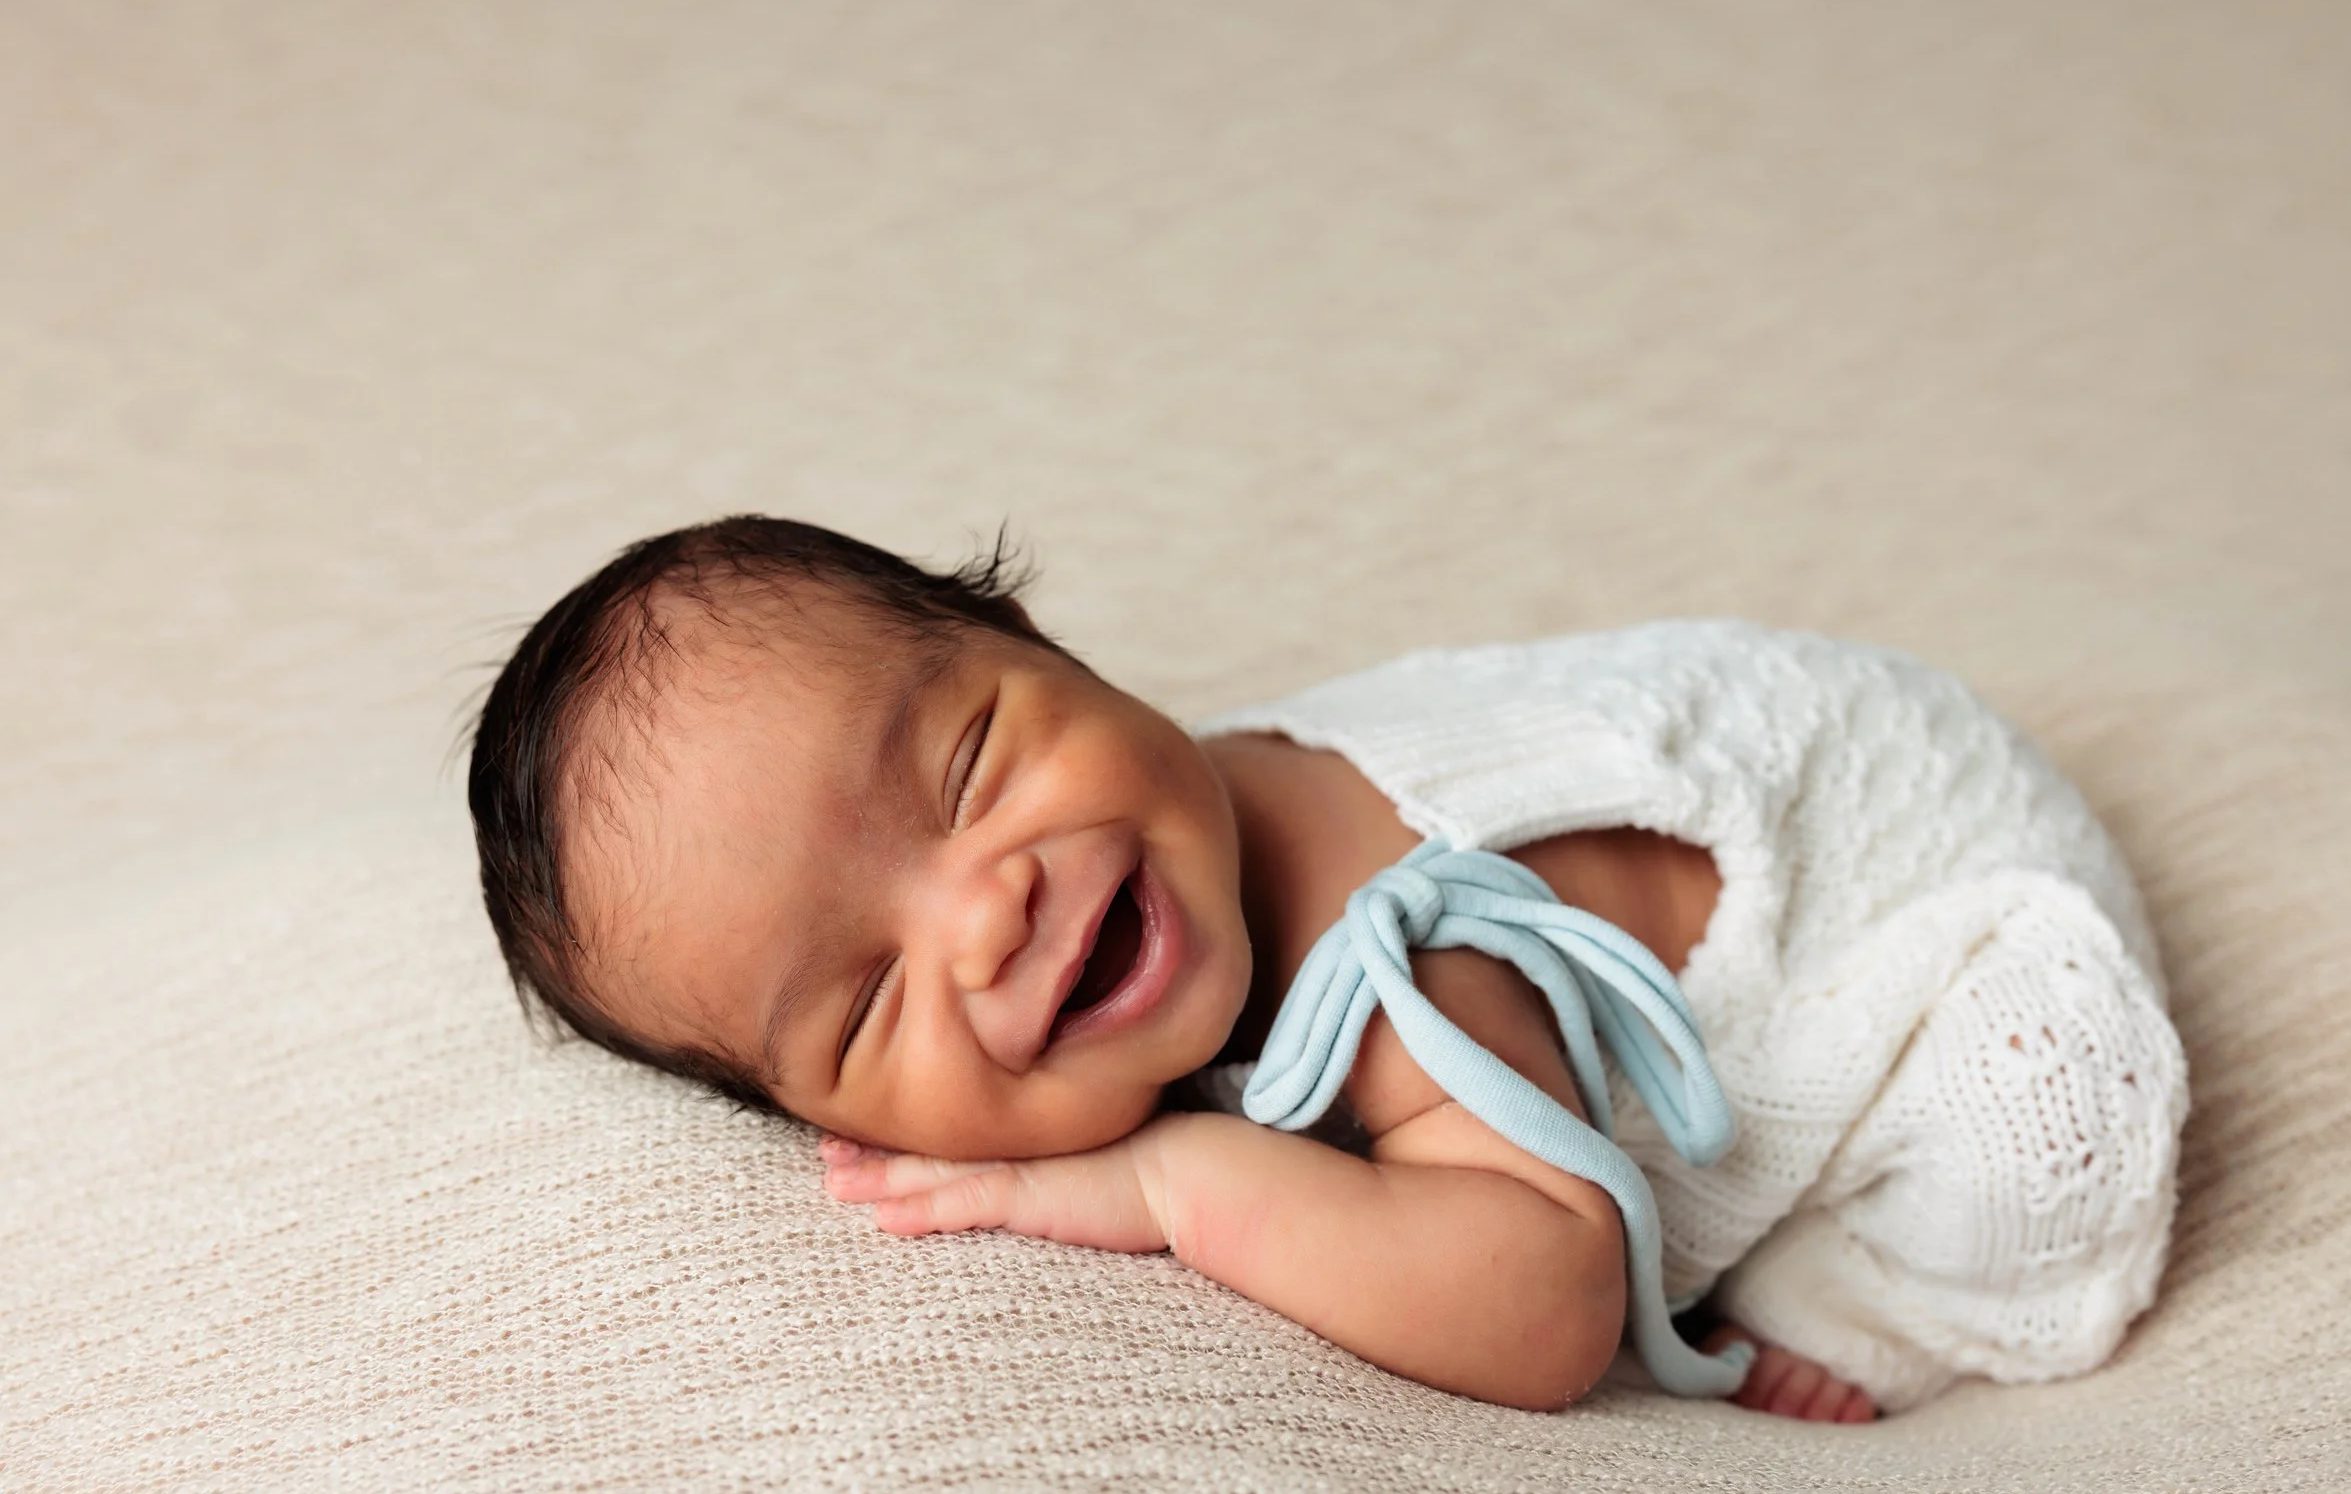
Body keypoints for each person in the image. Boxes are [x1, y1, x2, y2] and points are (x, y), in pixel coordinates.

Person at [467, 517, 2187, 1419]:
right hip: (1813, 728)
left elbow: (1547, 1301)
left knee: (2019, 1137)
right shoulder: (1168, 815)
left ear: (1048, 645)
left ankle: (1876, 1303)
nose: (984, 911)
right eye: (866, 1000)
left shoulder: (1396, 955)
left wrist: (1180, 1181)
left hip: (1945, 893)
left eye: (974, 762)